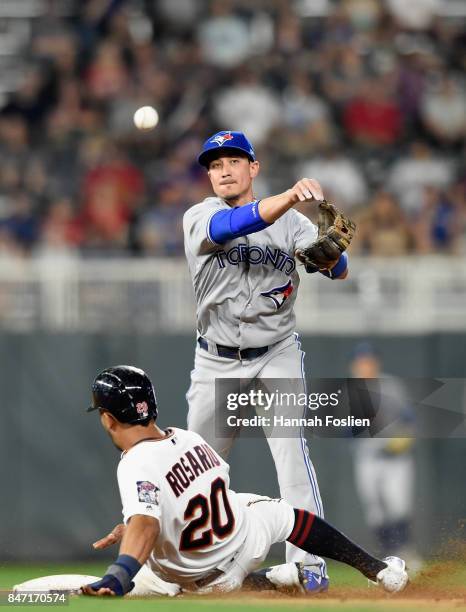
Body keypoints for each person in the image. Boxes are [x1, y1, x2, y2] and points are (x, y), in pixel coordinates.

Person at [182, 130, 351, 590]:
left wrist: (329, 248)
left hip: (276, 353)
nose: (223, 170)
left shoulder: (294, 224)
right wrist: (292, 196)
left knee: (292, 457)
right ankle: (191, 562)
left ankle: (310, 565)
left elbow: (339, 270)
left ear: (253, 168)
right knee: (198, 469)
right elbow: (232, 228)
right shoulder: (200, 216)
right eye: (215, 165)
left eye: (233, 161)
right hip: (216, 359)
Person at [82, 365, 408, 597]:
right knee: (286, 516)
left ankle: (270, 580)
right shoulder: (187, 439)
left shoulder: (134, 463)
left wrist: (120, 574)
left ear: (108, 419)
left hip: (203, 581)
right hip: (246, 540)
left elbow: (148, 525)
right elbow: (209, 489)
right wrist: (144, 522)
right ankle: (379, 570)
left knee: (175, 572)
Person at [349, 343, 418, 562]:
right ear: (353, 365)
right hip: (368, 458)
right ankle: (387, 555)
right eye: (361, 362)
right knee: (375, 510)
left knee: (399, 505)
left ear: (376, 363)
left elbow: (409, 419)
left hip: (396, 458)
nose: (365, 365)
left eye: (368, 361)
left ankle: (405, 551)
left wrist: (405, 437)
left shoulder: (390, 386)